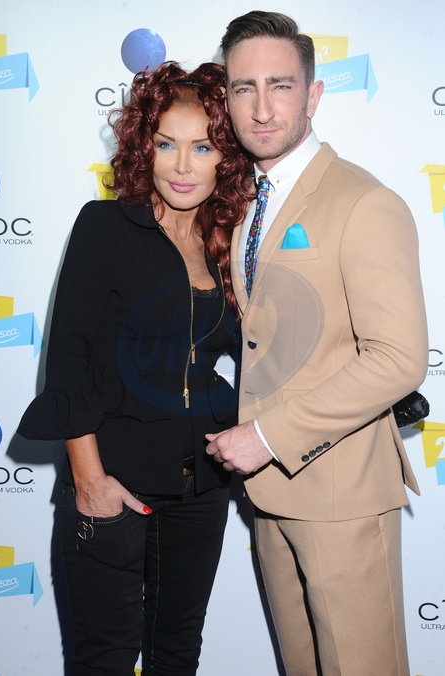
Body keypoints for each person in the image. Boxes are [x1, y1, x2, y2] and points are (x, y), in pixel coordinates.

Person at [205, 10, 429, 676]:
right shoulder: (248, 201)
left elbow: (398, 358)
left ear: (314, 94)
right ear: (227, 99)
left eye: (281, 85)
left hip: (341, 496)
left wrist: (266, 436)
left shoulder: (364, 202)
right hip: (269, 493)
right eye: (244, 88)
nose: (262, 107)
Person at [18, 60, 251, 676]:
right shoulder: (105, 227)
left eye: (203, 147)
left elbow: (249, 355)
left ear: (225, 158)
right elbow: (68, 360)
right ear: (143, 148)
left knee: (177, 656)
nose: (182, 166)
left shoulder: (227, 245)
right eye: (166, 144)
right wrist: (90, 481)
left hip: (201, 490)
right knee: (106, 661)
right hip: (114, 483)